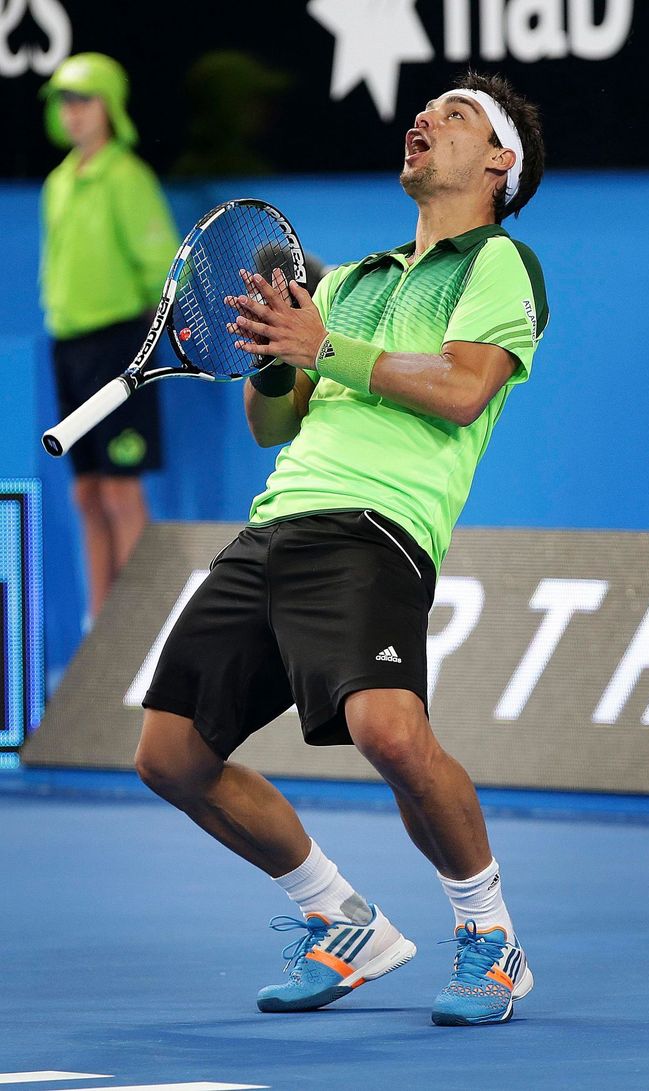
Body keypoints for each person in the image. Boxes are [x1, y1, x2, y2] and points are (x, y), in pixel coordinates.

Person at [136, 70, 549, 1027]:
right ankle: (341, 918)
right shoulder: (354, 281)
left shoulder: (501, 265)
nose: (424, 123)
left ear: (499, 163)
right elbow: (272, 425)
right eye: (423, 113)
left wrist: (322, 346)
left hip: (376, 526)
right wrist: (279, 355)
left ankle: (491, 937)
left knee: (389, 730)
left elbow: (460, 389)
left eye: (453, 118)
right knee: (169, 757)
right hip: (276, 521)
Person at [39, 53, 179, 621]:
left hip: (121, 347)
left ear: (110, 107)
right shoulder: (56, 182)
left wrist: (160, 329)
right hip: (68, 348)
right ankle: (102, 631)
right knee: (87, 493)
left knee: (122, 493)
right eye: (64, 103)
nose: (73, 114)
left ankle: (139, 631)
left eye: (84, 100)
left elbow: (162, 272)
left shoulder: (129, 178)